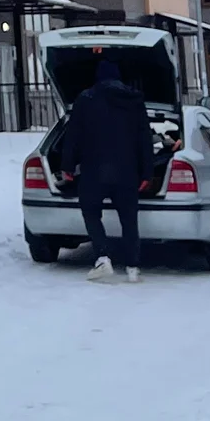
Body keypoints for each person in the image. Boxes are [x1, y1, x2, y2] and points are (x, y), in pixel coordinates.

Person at [58, 59, 147, 284]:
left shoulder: (85, 99)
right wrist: (147, 172)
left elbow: (73, 136)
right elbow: (144, 138)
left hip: (94, 170)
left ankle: (103, 257)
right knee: (129, 219)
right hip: (127, 171)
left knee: (91, 212)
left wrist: (67, 166)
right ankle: (133, 267)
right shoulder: (134, 100)